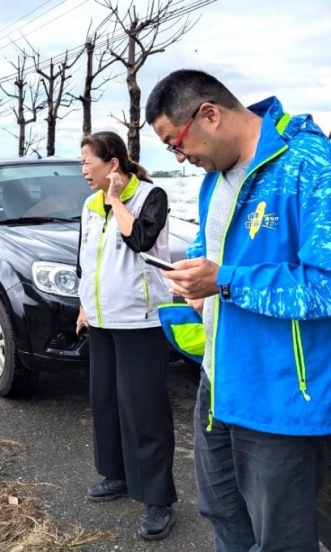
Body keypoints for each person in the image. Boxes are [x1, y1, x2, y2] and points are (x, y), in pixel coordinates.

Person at [146, 69, 331, 551]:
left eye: (176, 144)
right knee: (223, 514)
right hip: (218, 382)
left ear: (209, 114)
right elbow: (224, 267)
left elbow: (326, 286)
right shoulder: (216, 178)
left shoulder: (309, 165)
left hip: (280, 395)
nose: (181, 158)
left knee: (281, 538)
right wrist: (198, 287)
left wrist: (223, 281)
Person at [76, 131, 177, 540]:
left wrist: (116, 200)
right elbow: (84, 257)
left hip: (140, 321)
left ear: (112, 164)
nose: (83, 169)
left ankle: (158, 499)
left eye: (88, 162)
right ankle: (116, 475)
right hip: (101, 320)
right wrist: (83, 303)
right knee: (106, 403)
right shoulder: (87, 205)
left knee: (145, 411)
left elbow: (139, 240)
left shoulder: (151, 196)